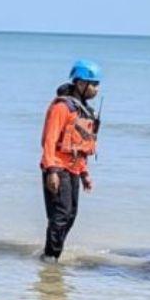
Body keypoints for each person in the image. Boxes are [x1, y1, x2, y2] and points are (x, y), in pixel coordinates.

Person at [39, 59, 101, 262]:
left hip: (74, 169)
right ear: (81, 83)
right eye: (94, 84)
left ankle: (52, 253)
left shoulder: (82, 110)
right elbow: (49, 139)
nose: (96, 89)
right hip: (58, 167)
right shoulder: (62, 107)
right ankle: (50, 257)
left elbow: (81, 147)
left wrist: (85, 174)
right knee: (60, 214)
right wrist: (52, 170)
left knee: (71, 215)